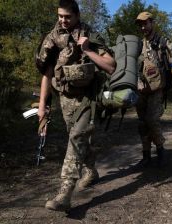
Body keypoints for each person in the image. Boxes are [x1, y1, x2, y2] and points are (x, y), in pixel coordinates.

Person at [36, 0, 116, 211]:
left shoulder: (90, 34)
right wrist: (43, 105)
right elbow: (47, 74)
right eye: (60, 16)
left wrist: (88, 50)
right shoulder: (53, 37)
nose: (63, 20)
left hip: (88, 98)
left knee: (76, 137)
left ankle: (65, 192)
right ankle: (91, 170)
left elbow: (110, 65)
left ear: (77, 15)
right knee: (78, 138)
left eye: (67, 17)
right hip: (65, 99)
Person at [135, 11, 172, 167]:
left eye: (145, 23)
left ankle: (161, 151)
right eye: (141, 24)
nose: (143, 27)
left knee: (152, 121)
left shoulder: (163, 43)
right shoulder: (138, 45)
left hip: (157, 90)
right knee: (142, 123)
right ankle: (146, 156)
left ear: (152, 23)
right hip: (141, 90)